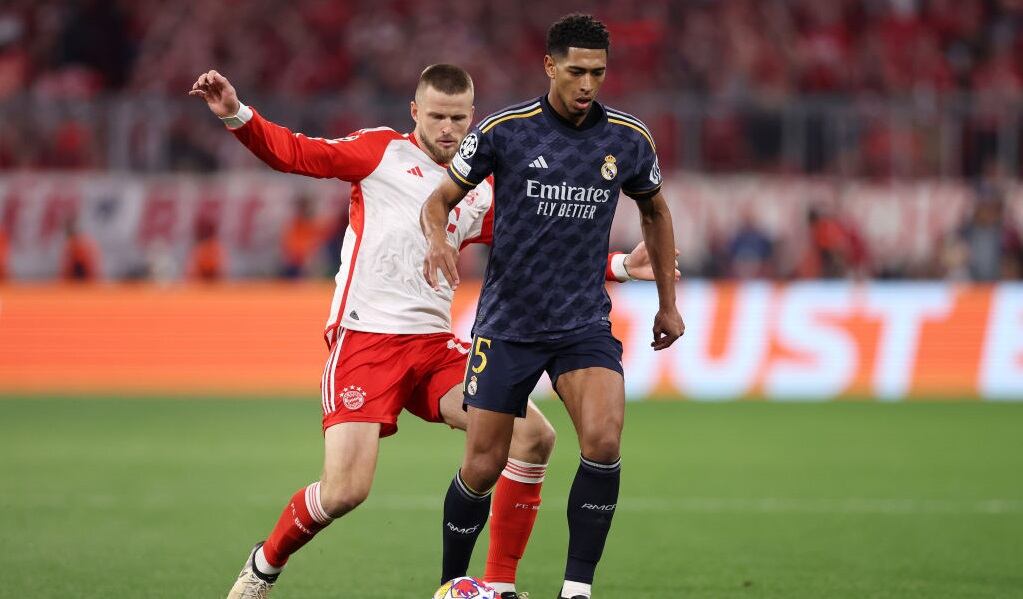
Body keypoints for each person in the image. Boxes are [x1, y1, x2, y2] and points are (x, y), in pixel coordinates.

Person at [189, 64, 671, 599]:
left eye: (459, 119)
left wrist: (621, 267)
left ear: (472, 118)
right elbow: (299, 153)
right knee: (347, 490)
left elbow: (538, 249)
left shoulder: (482, 186)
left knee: (534, 438)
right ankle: (265, 563)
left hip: (435, 349)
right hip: (365, 340)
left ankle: (496, 585)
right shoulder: (379, 152)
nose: (448, 129)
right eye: (437, 116)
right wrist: (237, 114)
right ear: (415, 113)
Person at [420, 15, 684, 599]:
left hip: (581, 322)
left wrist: (668, 302)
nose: (588, 83)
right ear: (550, 67)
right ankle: (452, 587)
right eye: (576, 71)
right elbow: (439, 201)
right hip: (508, 325)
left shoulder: (628, 139)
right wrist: (439, 239)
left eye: (598, 72)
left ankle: (577, 589)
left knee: (605, 440)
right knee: (483, 466)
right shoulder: (504, 132)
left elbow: (656, 213)